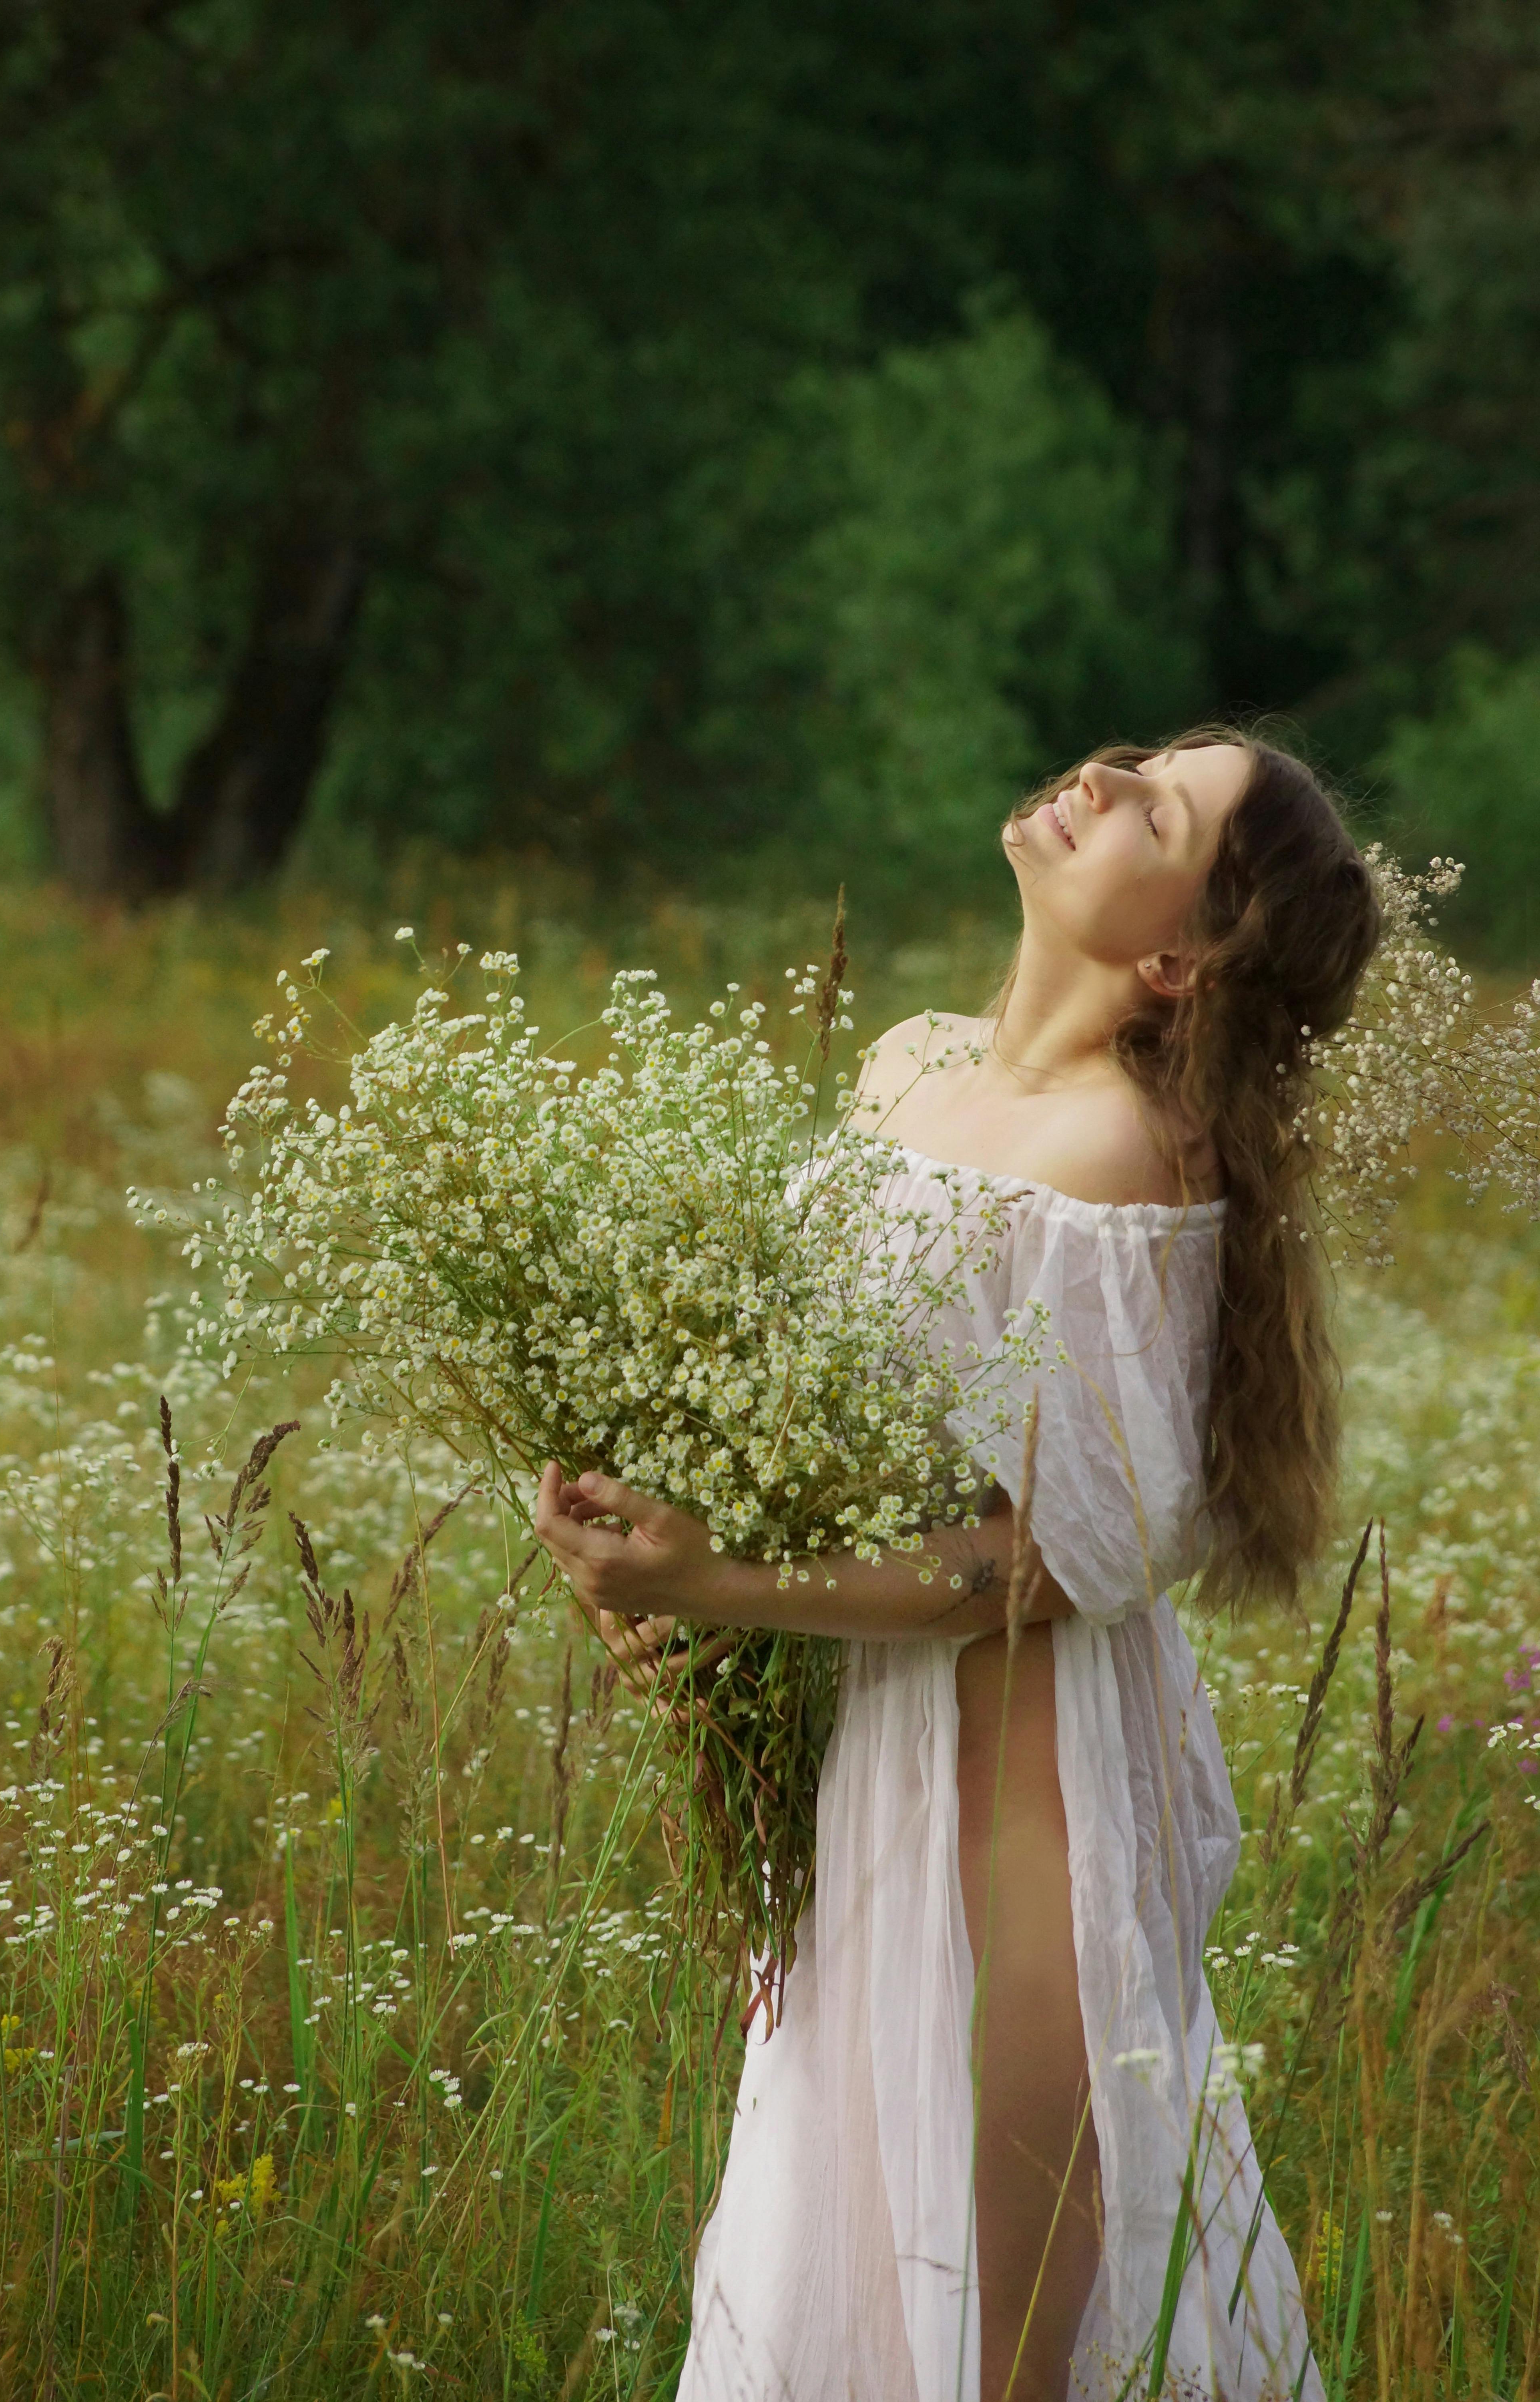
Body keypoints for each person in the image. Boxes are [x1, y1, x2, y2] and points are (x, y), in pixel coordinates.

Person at [534, 729, 1382, 2402]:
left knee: (1002, 2319)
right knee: (826, 2210)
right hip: (855, 1739)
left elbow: (1044, 1566)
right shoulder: (907, 1067)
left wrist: (718, 1588)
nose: (1104, 774)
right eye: (1132, 757)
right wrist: (653, 1557)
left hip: (1014, 1786)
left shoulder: (1124, 1157)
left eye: (1159, 809)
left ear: (1178, 955)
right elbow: (787, 1410)